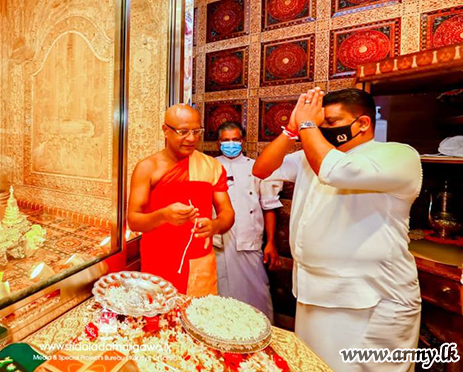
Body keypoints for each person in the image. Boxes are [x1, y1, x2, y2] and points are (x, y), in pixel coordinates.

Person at [253, 87, 421, 372]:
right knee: (313, 365)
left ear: (363, 123)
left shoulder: (397, 155)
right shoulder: (313, 157)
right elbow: (262, 169)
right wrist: (292, 130)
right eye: (321, 124)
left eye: (330, 123)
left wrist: (307, 126)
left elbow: (337, 171)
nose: (323, 130)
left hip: (371, 299)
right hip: (314, 291)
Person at [127, 104, 234, 296]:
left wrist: (215, 225)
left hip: (200, 263)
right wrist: (163, 216)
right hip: (159, 262)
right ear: (165, 131)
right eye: (183, 132)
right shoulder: (147, 168)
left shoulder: (211, 166)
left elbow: (227, 213)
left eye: (196, 131)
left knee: (197, 318)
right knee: (160, 319)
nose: (191, 138)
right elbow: (134, 220)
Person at [213, 121, 281, 322]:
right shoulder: (210, 166)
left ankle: (260, 329)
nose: (231, 144)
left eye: (235, 139)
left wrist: (271, 243)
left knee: (255, 292)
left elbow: (269, 207)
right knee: (219, 291)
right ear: (218, 143)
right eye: (226, 140)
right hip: (217, 241)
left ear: (242, 141)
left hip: (248, 240)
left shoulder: (257, 167)